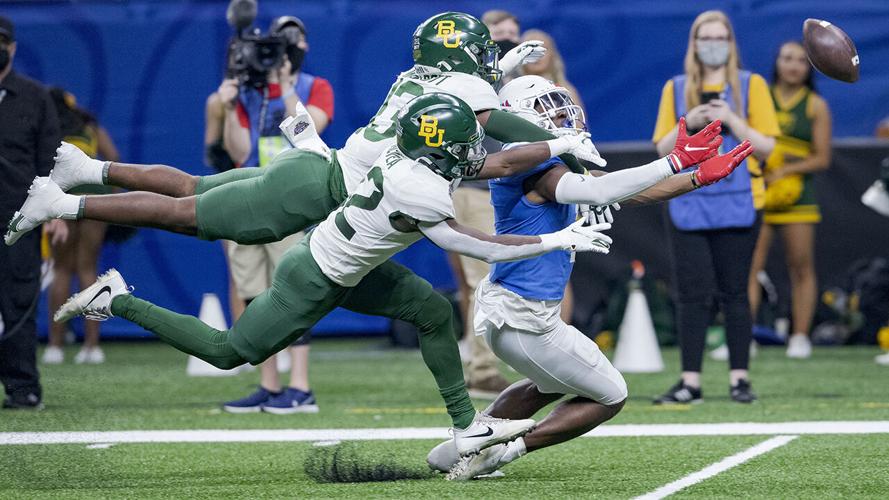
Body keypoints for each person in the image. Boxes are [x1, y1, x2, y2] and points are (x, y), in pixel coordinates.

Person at [5, 11, 599, 418]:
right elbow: (493, 134)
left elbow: (478, 90)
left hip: (322, 182)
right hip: (317, 196)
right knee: (189, 214)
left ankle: (84, 173)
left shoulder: (427, 76)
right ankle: (67, 201)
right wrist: (564, 138)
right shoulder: (448, 141)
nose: (484, 59)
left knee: (193, 188)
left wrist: (507, 62)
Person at [55, 92, 615, 456]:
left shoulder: (411, 155)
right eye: (463, 141)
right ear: (440, 148)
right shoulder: (419, 186)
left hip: (353, 262)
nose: (475, 149)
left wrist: (558, 140)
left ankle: (465, 425)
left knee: (431, 311)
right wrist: (558, 237)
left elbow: (489, 160)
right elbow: (480, 247)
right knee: (229, 352)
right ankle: (117, 299)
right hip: (317, 274)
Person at [426, 75, 751, 480]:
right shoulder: (537, 165)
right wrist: (674, 161)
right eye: (550, 108)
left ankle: (459, 446)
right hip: (524, 318)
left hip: (510, 310)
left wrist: (696, 178)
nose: (563, 114)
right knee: (611, 395)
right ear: (517, 116)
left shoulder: (543, 160)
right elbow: (599, 193)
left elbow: (628, 192)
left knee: (552, 383)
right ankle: (501, 453)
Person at [652, 10, 779, 404]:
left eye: (720, 37)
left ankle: (739, 379)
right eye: (705, 37)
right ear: (693, 43)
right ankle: (690, 381)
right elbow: (660, 148)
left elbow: (769, 147)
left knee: (736, 292)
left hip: (740, 201)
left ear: (730, 42)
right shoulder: (675, 88)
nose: (712, 44)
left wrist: (731, 119)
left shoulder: (750, 84)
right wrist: (690, 121)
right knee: (692, 294)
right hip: (688, 200)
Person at [211, 16, 334, 414]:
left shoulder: (316, 87)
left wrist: (283, 88)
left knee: (293, 292)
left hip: (292, 199)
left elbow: (309, 130)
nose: (284, 47)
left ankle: (301, 386)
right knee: (252, 293)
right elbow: (237, 150)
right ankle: (269, 384)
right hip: (250, 194)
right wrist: (229, 108)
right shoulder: (250, 91)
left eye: (292, 38)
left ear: (304, 45)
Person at [447, 9, 547, 398]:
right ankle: (483, 368)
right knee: (480, 278)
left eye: (512, 35)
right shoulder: (471, 83)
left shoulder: (531, 82)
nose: (507, 41)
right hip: (478, 187)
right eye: (498, 36)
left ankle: (495, 360)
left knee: (515, 272)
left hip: (520, 187)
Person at [748, 41, 832, 360]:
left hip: (798, 195)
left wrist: (785, 172)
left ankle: (799, 337)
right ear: (777, 62)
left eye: (800, 60)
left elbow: (822, 158)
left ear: (809, 67)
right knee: (750, 266)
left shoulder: (815, 105)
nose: (793, 66)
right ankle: (745, 336)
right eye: (787, 59)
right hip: (761, 189)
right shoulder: (760, 97)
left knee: (800, 266)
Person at [0, 15, 63, 409]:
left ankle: (23, 388)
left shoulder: (35, 96)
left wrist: (56, 212)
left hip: (18, 217)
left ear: (14, 48)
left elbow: (51, 158)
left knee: (19, 302)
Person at [42, 88, 120, 366]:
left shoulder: (48, 128)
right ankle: (92, 347)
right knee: (88, 269)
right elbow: (113, 157)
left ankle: (55, 347)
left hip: (61, 199)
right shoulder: (90, 126)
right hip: (94, 199)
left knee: (61, 269)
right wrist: (108, 194)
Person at [519, 29, 585, 117]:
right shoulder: (511, 90)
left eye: (543, 49)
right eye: (530, 51)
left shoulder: (566, 91)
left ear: (552, 55)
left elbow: (579, 128)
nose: (537, 55)